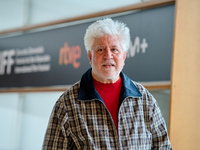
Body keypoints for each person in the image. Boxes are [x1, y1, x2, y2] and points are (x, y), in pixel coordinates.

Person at [42, 18, 172, 149]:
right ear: (89, 56)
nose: (108, 55)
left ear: (124, 56)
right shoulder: (67, 104)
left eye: (114, 49)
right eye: (100, 50)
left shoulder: (145, 100)